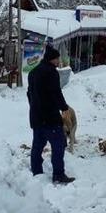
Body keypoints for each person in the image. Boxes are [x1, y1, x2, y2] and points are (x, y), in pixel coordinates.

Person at [27, 44, 75, 184]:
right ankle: (58, 175)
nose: (58, 61)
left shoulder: (33, 72)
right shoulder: (51, 72)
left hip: (36, 117)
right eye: (57, 59)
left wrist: (34, 107)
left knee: (37, 146)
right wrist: (64, 108)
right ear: (51, 59)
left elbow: (29, 94)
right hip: (50, 117)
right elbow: (56, 92)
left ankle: (36, 173)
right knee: (58, 145)